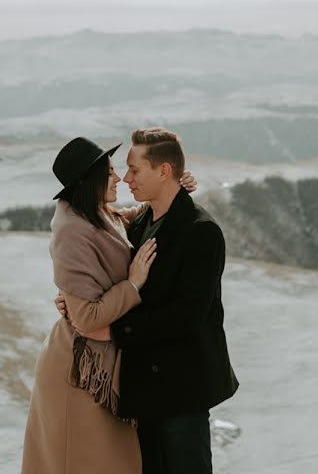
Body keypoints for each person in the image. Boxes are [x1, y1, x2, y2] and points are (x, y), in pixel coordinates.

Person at [58, 127, 239, 474]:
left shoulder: (201, 231)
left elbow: (186, 316)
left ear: (164, 171)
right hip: (144, 394)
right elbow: (97, 266)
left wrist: (114, 331)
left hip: (182, 393)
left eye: (134, 169)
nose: (125, 178)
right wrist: (72, 298)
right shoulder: (140, 223)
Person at [21, 136, 197, 474]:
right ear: (89, 183)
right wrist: (132, 283)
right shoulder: (72, 233)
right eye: (110, 173)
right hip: (81, 373)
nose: (118, 179)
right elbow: (86, 318)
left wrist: (173, 190)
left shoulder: (96, 215)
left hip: (98, 367)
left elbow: (126, 221)